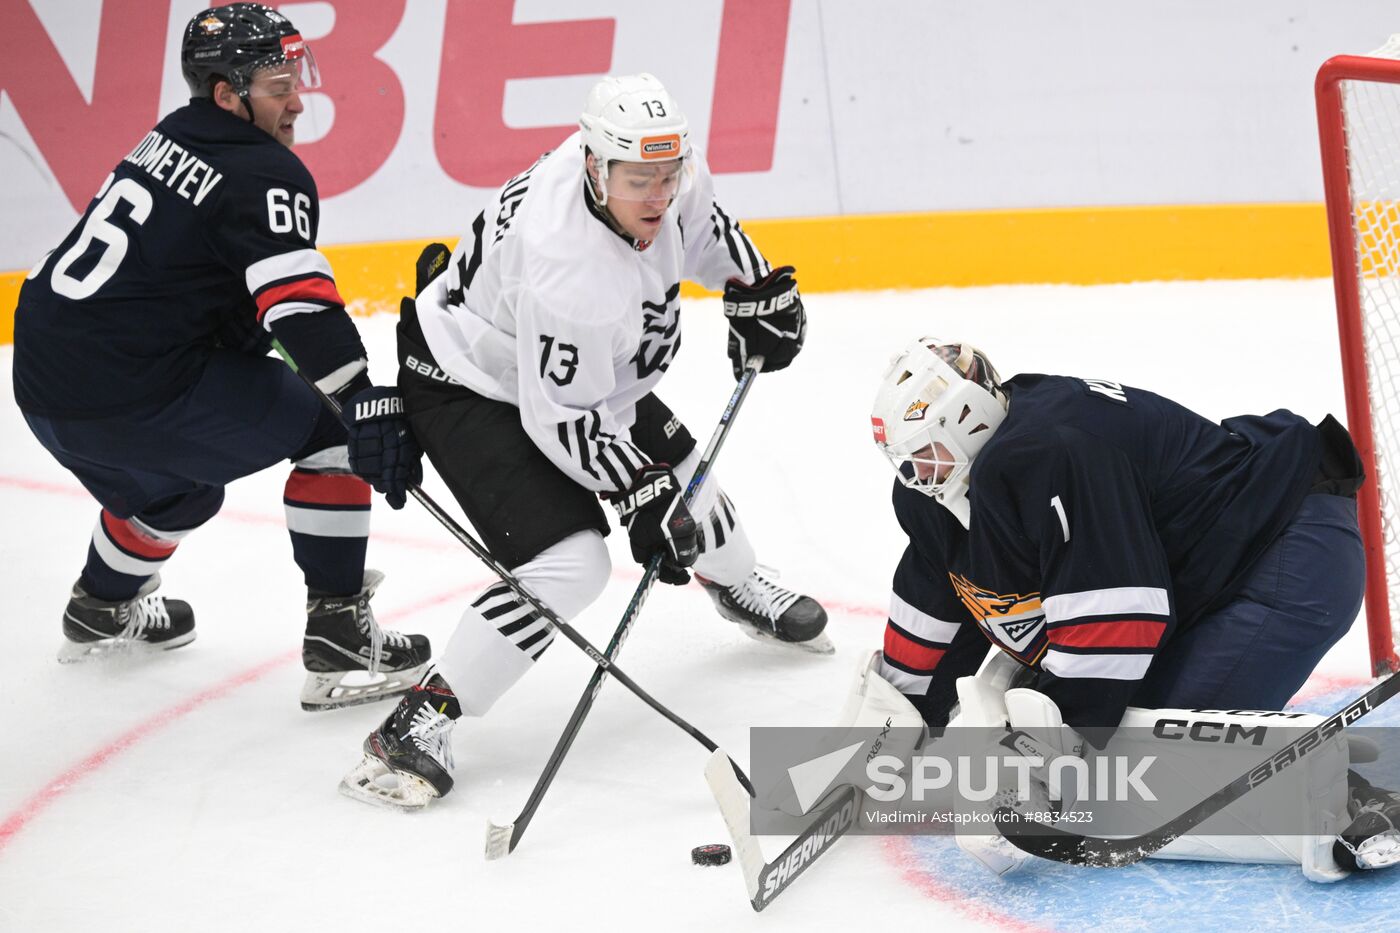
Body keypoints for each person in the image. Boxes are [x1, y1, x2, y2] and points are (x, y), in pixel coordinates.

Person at [337, 73, 830, 809]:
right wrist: (637, 490)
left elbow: (706, 227)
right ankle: (420, 720)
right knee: (571, 564)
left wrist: (755, 288)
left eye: (668, 175)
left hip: (565, 364)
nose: (658, 196)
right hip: (469, 381)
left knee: (690, 485)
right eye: (640, 182)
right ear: (596, 167)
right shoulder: (568, 269)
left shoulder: (652, 167)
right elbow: (561, 417)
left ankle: (735, 580)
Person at [10, 3, 429, 711]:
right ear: (228, 95)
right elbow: (298, 304)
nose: (297, 103)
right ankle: (339, 638)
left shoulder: (171, 134)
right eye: (278, 88)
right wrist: (358, 396)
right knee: (332, 429)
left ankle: (101, 605)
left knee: (183, 490)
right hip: (132, 385)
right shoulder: (263, 170)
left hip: (42, 383)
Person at [861, 336, 1400, 873]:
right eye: (905, 458)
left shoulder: (1048, 450)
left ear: (968, 418)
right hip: (1223, 567)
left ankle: (1354, 806)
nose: (915, 472)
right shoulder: (954, 482)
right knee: (1094, 730)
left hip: (1293, 555)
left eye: (925, 450)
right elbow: (945, 585)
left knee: (1128, 763)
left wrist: (1048, 749)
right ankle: (1281, 760)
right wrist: (895, 715)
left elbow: (1119, 619)